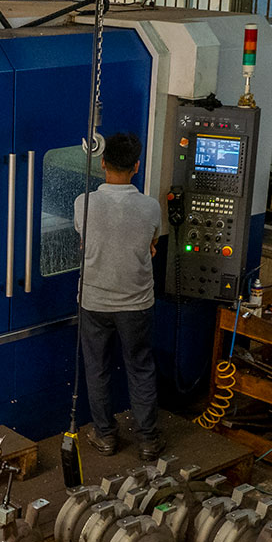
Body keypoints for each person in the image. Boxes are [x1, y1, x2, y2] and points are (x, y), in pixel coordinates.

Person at [74, 132, 164, 461]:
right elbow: (152, 247)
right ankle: (148, 441)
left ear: (102, 163)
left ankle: (106, 436)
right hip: (136, 303)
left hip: (94, 302)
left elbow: (85, 242)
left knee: (97, 368)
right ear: (136, 166)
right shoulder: (150, 207)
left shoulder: (83, 203)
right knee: (140, 367)